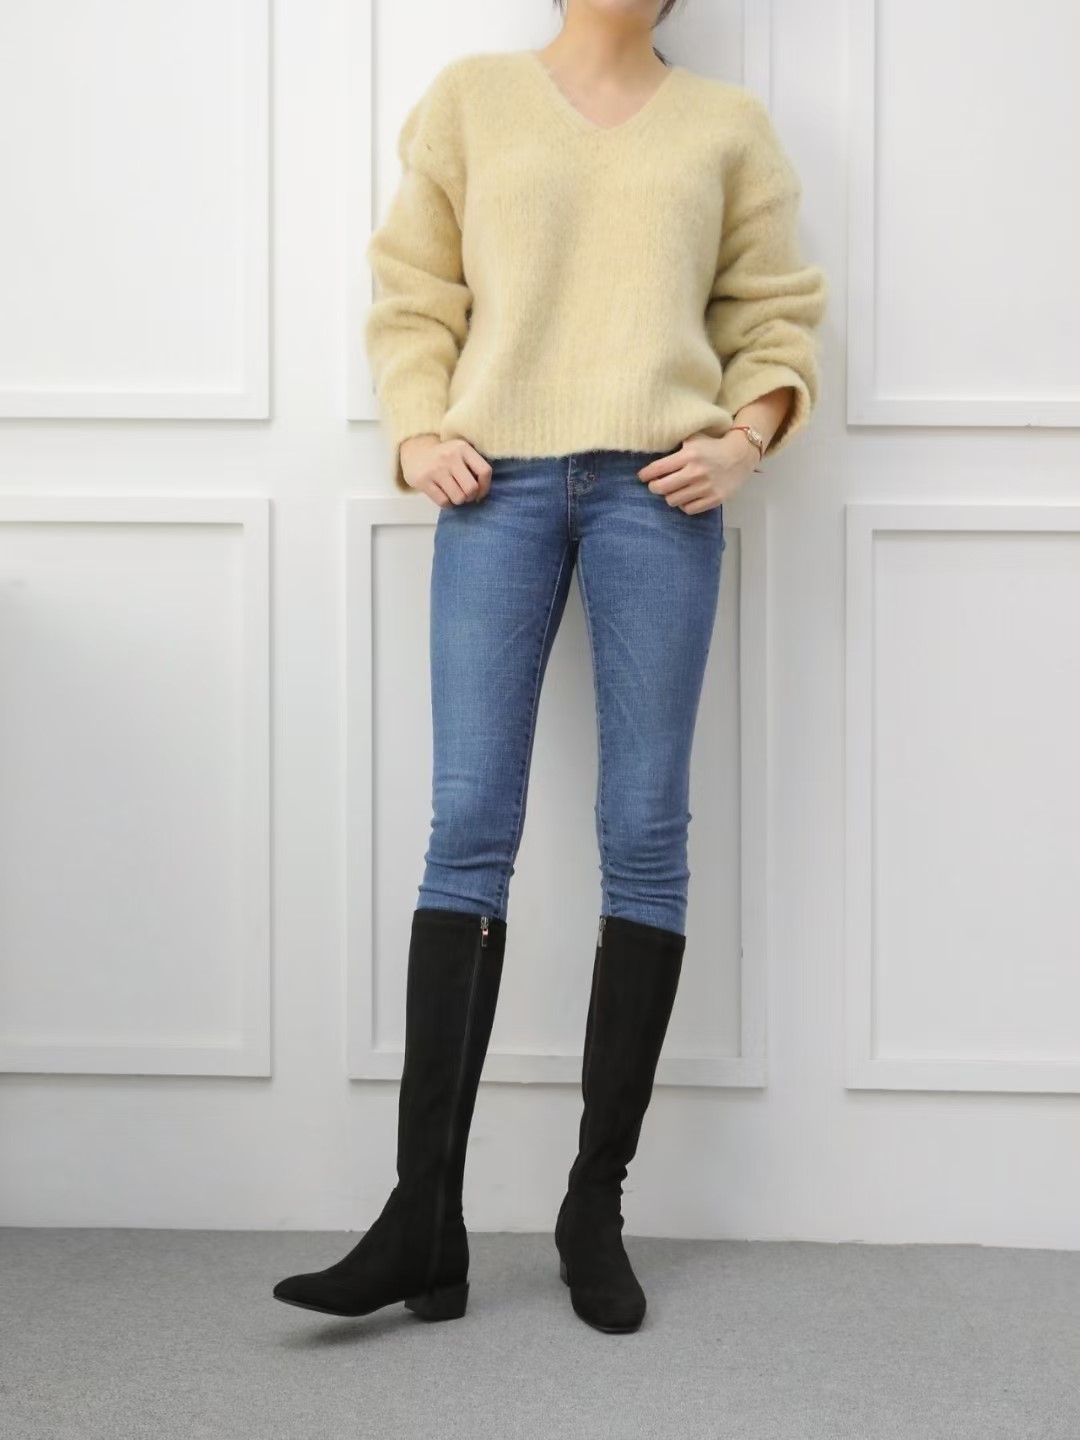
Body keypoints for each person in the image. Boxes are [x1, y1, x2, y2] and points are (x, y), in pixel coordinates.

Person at [274, 0, 829, 1334]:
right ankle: (424, 1220)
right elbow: (415, 293)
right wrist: (417, 432)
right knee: (467, 825)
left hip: (661, 490)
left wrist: (746, 440)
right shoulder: (471, 98)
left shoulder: (728, 126)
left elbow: (776, 315)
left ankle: (594, 1207)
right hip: (495, 486)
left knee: (644, 832)